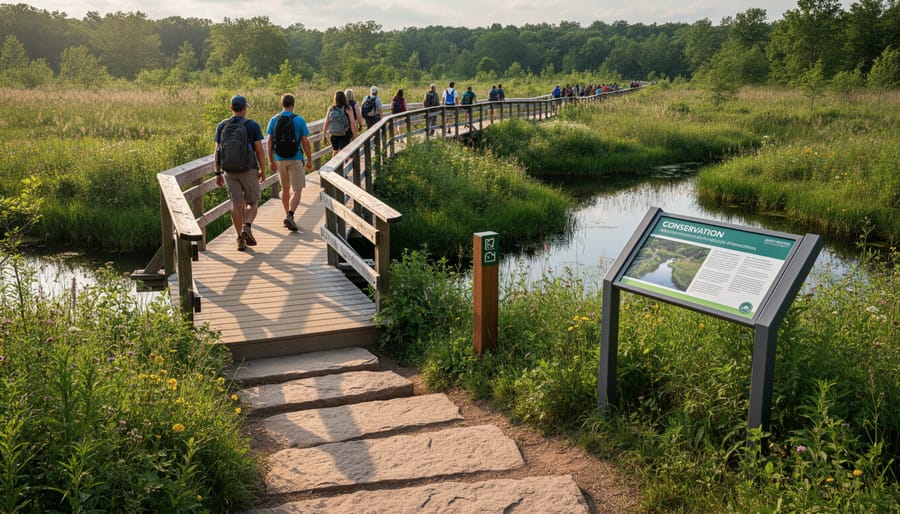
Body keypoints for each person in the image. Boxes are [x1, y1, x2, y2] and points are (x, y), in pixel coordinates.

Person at [214, 94, 266, 251]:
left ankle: (240, 239)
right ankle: (247, 227)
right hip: (248, 169)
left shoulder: (222, 125)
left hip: (229, 171)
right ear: (244, 108)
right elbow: (259, 150)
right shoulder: (252, 125)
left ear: (231, 108)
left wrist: (217, 173)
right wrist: (263, 170)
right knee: (252, 203)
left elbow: (217, 151)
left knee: (236, 205)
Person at [266, 93, 312, 232]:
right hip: (295, 157)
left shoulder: (274, 120)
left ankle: (287, 215)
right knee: (297, 189)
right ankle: (290, 215)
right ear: (293, 104)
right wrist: (309, 159)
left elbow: (269, 141)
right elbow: (305, 141)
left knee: (285, 189)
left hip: (279, 159)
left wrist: (270, 160)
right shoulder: (299, 120)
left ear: (282, 104)